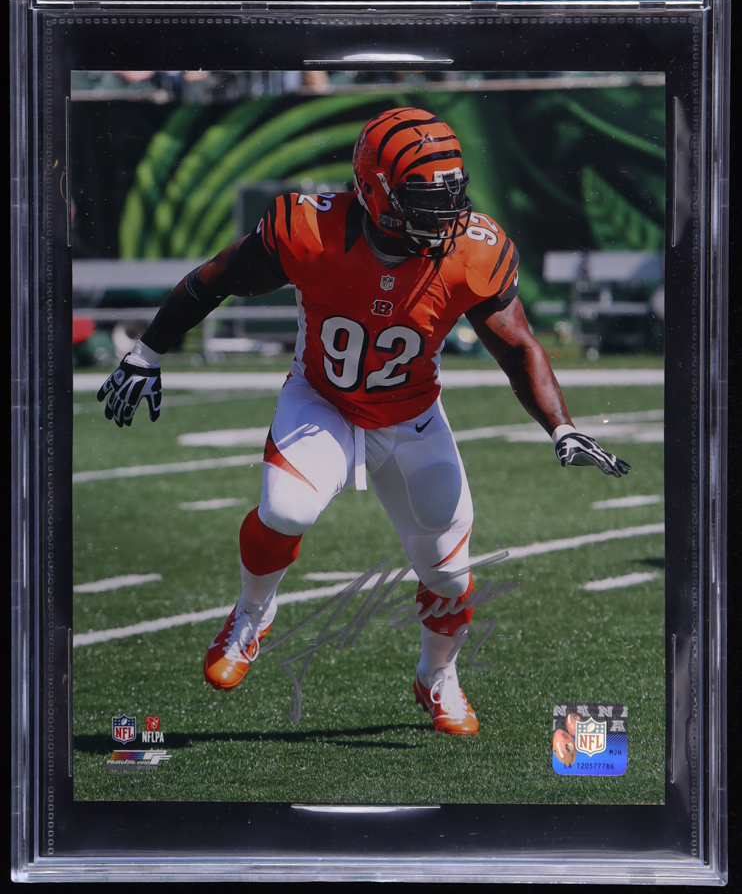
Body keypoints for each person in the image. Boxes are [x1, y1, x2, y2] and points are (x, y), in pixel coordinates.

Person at [97, 107, 629, 736]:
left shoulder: (471, 250)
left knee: (450, 572)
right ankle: (252, 614)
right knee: (287, 508)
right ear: (376, 192)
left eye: (451, 197)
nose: (446, 217)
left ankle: (437, 676)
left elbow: (517, 347)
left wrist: (561, 426)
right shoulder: (310, 230)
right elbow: (215, 279)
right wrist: (148, 351)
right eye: (426, 201)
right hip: (322, 399)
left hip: (412, 415)